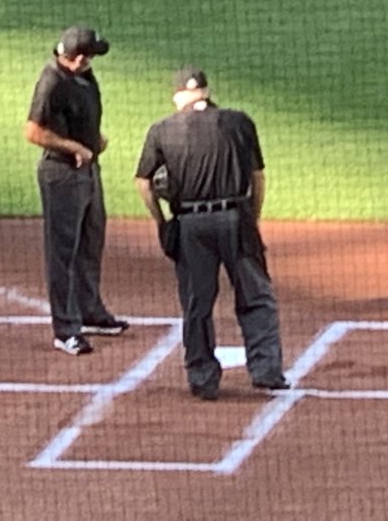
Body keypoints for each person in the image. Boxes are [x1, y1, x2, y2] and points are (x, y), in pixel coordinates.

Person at [134, 68, 288, 401]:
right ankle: (266, 371)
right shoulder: (238, 122)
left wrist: (162, 222)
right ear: (206, 91)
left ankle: (203, 378)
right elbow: (257, 177)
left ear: (179, 96)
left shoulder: (162, 130)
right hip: (236, 219)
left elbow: (144, 183)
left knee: (197, 304)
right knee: (256, 297)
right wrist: (252, 219)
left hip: (190, 224)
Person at [25, 25, 128, 356]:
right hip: (62, 175)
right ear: (78, 57)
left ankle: (90, 312)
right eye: (91, 54)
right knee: (63, 252)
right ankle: (65, 329)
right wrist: (74, 147)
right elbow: (33, 131)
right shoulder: (52, 82)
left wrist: (92, 142)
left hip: (88, 171)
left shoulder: (84, 74)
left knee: (91, 240)